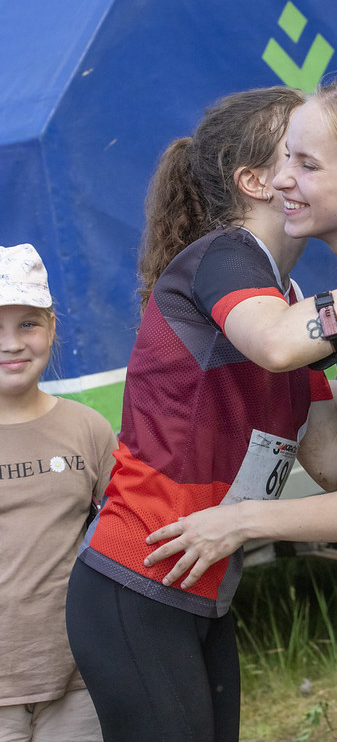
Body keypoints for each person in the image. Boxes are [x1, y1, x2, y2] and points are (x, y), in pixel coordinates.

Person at [66, 84, 337, 742]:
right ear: (255, 181)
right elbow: (280, 344)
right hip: (141, 573)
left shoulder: (292, 295)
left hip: (203, 576)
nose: (292, 176)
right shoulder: (227, 257)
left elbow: (329, 452)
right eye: (291, 155)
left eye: (311, 159)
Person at [0, 243, 117, 742]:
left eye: (27, 324)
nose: (11, 344)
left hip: (79, 681)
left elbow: (127, 532)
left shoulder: (87, 428)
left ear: (51, 327)